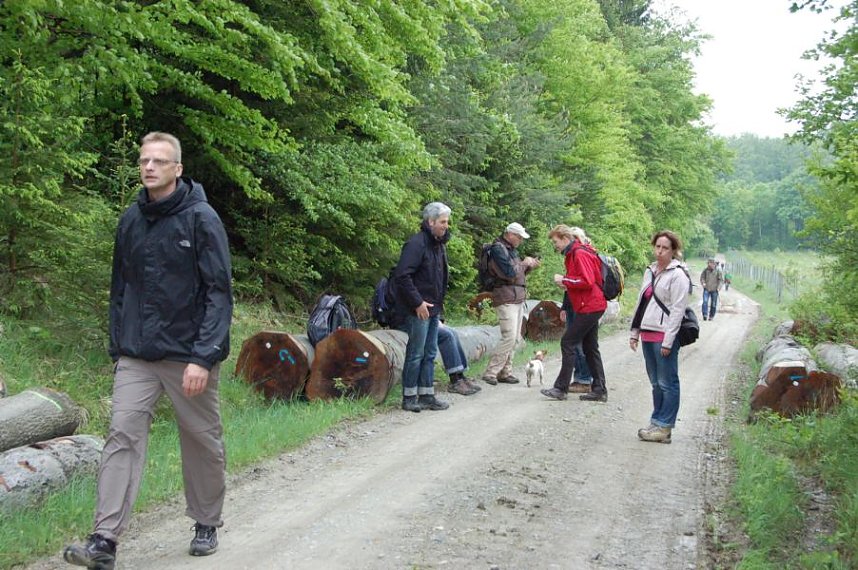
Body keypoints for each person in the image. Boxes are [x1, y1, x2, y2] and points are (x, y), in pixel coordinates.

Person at [63, 132, 233, 569]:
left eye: (160, 161)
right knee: (121, 435)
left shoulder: (202, 219)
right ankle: (104, 540)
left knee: (200, 440)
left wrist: (203, 356)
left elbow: (218, 293)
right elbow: (121, 289)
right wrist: (119, 346)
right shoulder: (131, 220)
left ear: (178, 169)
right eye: (144, 160)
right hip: (137, 354)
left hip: (188, 356)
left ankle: (205, 522)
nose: (150, 167)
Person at [629, 230, 690, 444]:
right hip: (647, 332)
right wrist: (634, 332)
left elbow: (677, 310)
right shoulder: (650, 271)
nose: (660, 251)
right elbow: (641, 303)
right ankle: (657, 420)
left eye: (665, 248)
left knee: (667, 382)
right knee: (655, 382)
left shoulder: (678, 275)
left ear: (673, 250)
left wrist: (668, 341)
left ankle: (665, 426)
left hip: (665, 336)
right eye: (658, 247)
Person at [392, 202, 452, 412]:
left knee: (429, 353)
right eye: (443, 222)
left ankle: (427, 394)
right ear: (431, 221)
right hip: (417, 309)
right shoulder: (416, 244)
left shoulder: (439, 245)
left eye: (447, 222)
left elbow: (439, 278)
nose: (446, 226)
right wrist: (417, 302)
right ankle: (409, 397)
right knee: (416, 353)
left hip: (434, 309)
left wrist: (439, 308)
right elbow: (402, 276)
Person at [540, 225, 608, 402]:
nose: (555, 245)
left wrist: (564, 280)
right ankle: (599, 390)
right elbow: (581, 280)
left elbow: (587, 280)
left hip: (590, 306)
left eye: (555, 242)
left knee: (568, 341)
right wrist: (568, 282)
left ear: (565, 238)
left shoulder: (579, 253)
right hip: (590, 305)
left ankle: (560, 388)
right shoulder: (575, 253)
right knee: (590, 347)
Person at [480, 222, 541, 385]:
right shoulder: (498, 249)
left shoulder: (510, 250)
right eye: (519, 237)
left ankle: (505, 372)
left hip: (516, 296)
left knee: (515, 337)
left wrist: (529, 267)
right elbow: (508, 273)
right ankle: (491, 372)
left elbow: (517, 275)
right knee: (509, 336)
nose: (520, 240)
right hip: (505, 297)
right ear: (510, 234)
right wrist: (524, 263)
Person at [560, 298, 594, 393]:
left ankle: (584, 380)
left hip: (582, 304)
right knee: (573, 343)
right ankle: (581, 378)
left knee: (579, 343)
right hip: (572, 304)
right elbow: (569, 287)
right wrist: (565, 306)